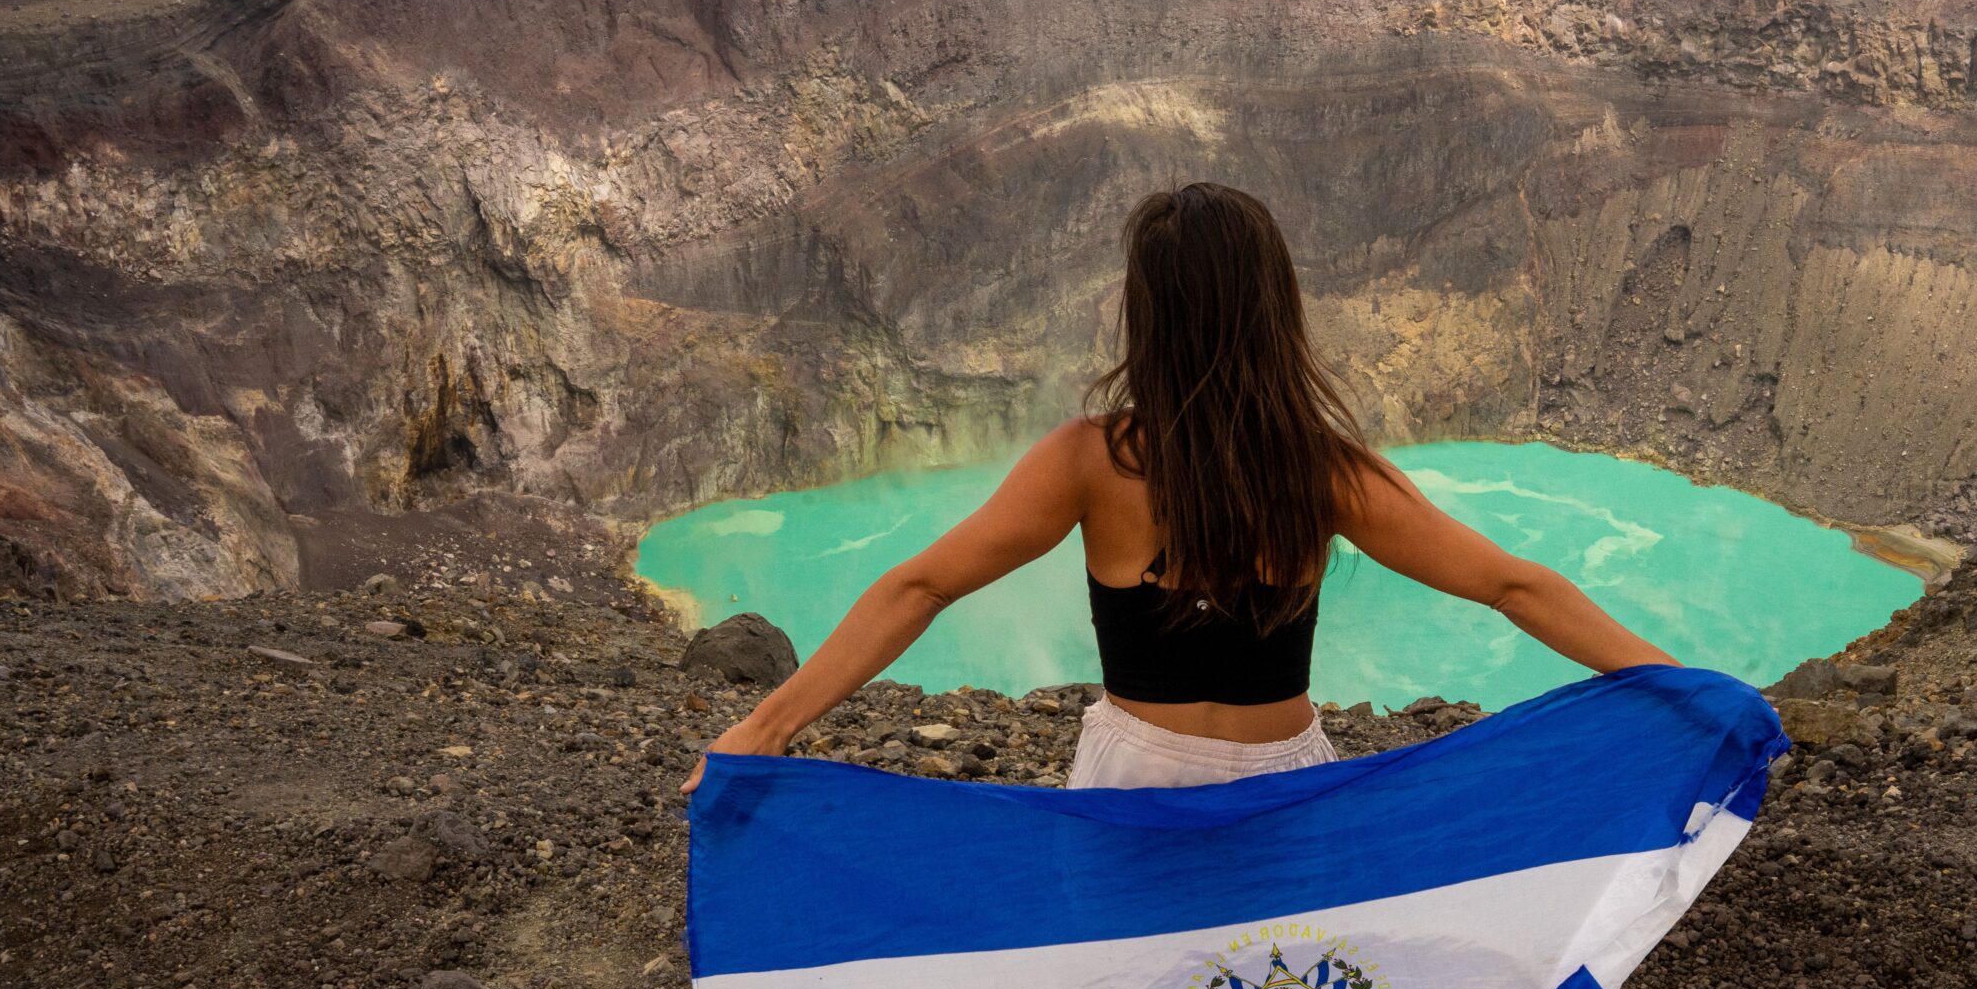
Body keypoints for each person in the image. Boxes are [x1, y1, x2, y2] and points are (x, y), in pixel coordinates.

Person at [682, 182, 1679, 795]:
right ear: (1272, 307)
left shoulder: (1089, 461)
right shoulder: (1323, 470)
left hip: (1133, 781)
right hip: (1283, 782)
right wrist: (1681, 686)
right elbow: (1511, 586)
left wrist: (767, 724)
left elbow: (918, 587)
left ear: (1145, 313)